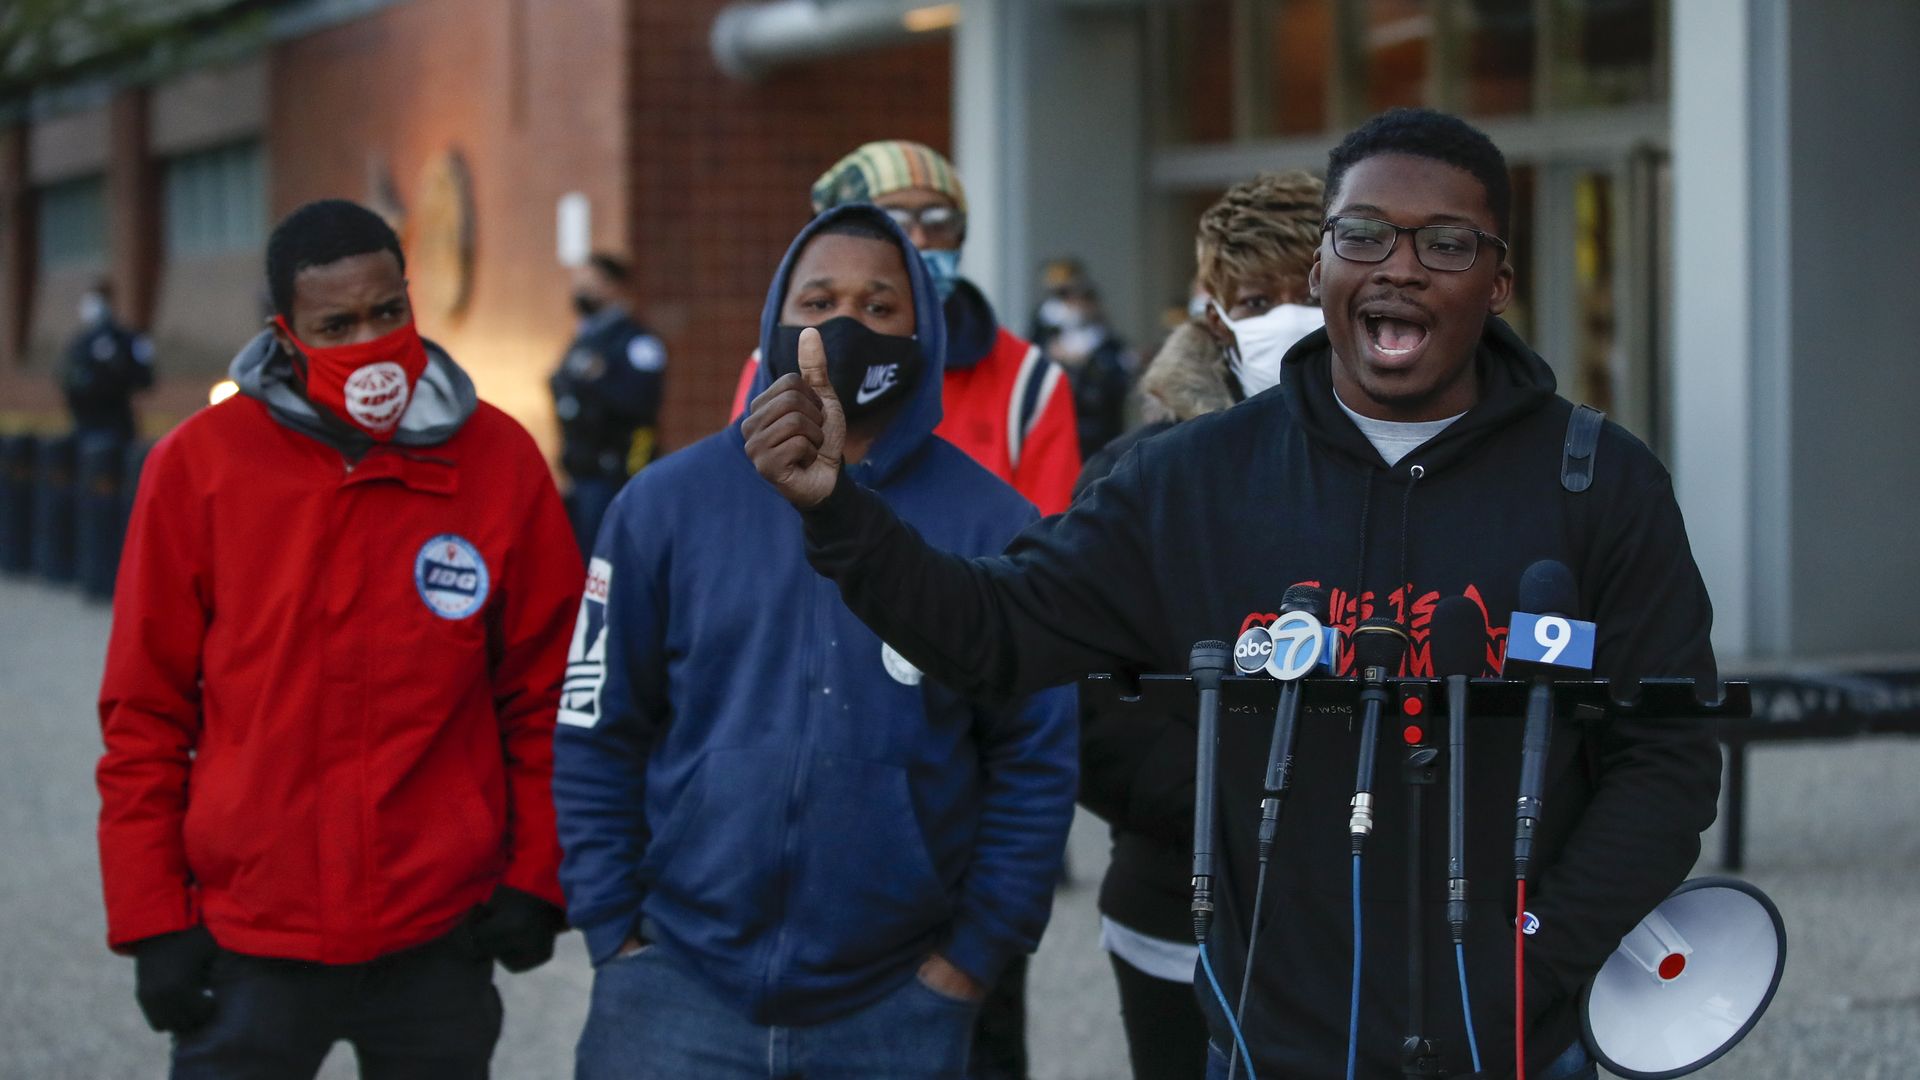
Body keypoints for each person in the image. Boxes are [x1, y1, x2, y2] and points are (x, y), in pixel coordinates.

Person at [746, 109, 1721, 1080]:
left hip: (1520, 1044)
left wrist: (1534, 960)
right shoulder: (1190, 481)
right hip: (1271, 1045)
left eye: (1447, 243)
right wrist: (841, 513)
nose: (1400, 266)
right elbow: (993, 631)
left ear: (1499, 281)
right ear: (1326, 265)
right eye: (1365, 235)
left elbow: (1666, 758)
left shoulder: (1598, 483)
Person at [553, 203, 1077, 1080]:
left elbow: (1036, 755)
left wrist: (970, 961)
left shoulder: (996, 522)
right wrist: (615, 928)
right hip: (673, 991)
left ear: (925, 329)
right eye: (817, 301)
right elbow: (597, 725)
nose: (843, 327)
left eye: (879, 307)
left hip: (896, 1009)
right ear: (775, 324)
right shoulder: (664, 506)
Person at [96, 199, 579, 1078]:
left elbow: (550, 691)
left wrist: (538, 876)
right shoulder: (200, 468)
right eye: (338, 323)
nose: (370, 341)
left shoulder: (497, 462)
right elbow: (144, 710)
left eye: (387, 311)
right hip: (251, 936)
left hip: (438, 933)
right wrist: (153, 917)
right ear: (286, 331)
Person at [1073, 170, 1325, 1080]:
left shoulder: (1416, 466)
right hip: (1176, 905)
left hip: (1367, 917)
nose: (1291, 317)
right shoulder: (1136, 474)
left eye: (1312, 290)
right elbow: (1092, 698)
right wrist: (1233, 805)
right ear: (1215, 315)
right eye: (1259, 298)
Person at [729, 139, 1082, 517]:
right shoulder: (779, 361)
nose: (919, 240)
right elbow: (744, 499)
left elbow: (1047, 545)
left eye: (939, 221)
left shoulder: (1029, 382)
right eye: (893, 220)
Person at [551, 252, 668, 553]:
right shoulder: (585, 340)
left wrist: (600, 379)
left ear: (615, 287)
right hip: (580, 476)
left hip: (616, 476)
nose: (582, 290)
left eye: (592, 283)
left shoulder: (636, 343)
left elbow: (642, 402)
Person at [1030, 259, 1134, 462]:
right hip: (1057, 431)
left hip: (1099, 435)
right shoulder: (1043, 334)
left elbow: (1115, 385)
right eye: (1062, 296)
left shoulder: (1106, 344)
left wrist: (1087, 364)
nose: (1069, 305)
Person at [60, 278, 155, 444]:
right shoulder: (81, 343)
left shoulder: (126, 340)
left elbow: (145, 378)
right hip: (84, 422)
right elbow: (66, 376)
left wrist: (115, 367)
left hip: (116, 423)